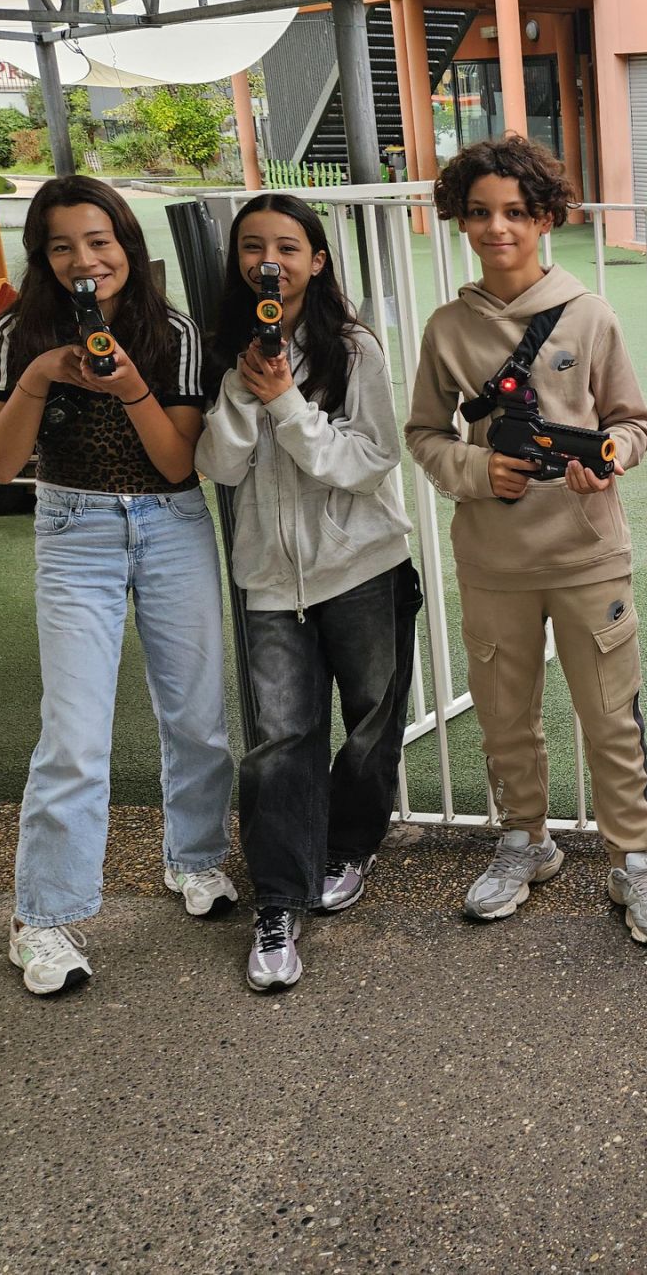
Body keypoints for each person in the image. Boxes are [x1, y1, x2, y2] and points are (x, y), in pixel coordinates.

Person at [404, 134, 647, 946]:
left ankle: (634, 859)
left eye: (516, 212)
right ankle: (525, 841)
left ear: (546, 219)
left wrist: (610, 457)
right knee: (503, 716)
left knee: (611, 716)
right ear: (460, 220)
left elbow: (632, 421)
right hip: (493, 558)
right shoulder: (447, 328)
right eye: (480, 212)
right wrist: (477, 468)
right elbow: (423, 433)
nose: (498, 228)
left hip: (587, 553)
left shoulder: (588, 313)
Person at [0, 176, 235, 996]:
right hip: (72, 527)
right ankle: (41, 919)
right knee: (74, 735)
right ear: (42, 257)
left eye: (99, 241)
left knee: (197, 716)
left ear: (127, 243)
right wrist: (40, 375)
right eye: (62, 247)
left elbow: (177, 462)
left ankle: (194, 857)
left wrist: (129, 387)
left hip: (171, 522)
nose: (85, 261)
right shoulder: (17, 332)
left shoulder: (174, 333)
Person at [195, 193, 420, 991]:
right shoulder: (229, 353)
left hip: (361, 567)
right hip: (269, 581)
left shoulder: (353, 349)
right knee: (281, 740)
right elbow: (219, 466)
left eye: (288, 247)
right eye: (253, 247)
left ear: (316, 261)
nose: (270, 261)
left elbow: (370, 460)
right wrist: (247, 392)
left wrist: (287, 402)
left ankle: (348, 847)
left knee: (371, 720)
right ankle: (278, 901)